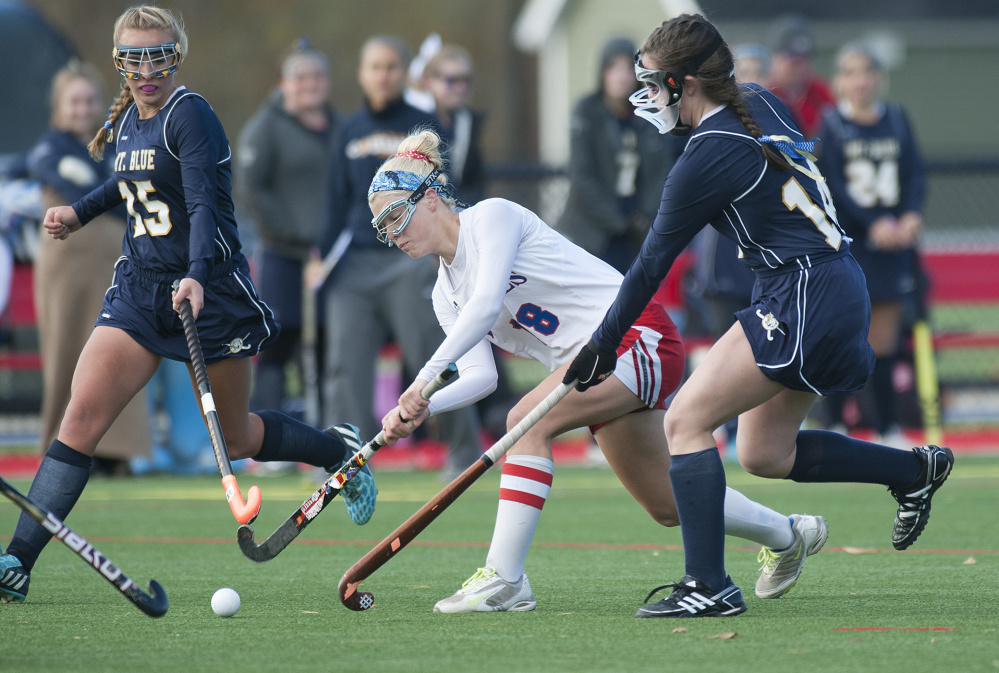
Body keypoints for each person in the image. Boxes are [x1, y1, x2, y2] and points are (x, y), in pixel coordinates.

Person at [563, 14, 953, 619]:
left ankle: (708, 585)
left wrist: (604, 343)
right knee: (764, 453)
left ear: (686, 83)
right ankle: (914, 469)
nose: (646, 97)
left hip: (804, 291)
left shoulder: (707, 154)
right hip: (829, 283)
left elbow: (649, 266)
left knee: (686, 420)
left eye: (654, 84)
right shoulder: (758, 100)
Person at [0, 5, 375, 605]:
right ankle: (16, 563)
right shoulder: (125, 121)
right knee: (80, 420)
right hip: (139, 290)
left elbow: (202, 204)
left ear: (176, 56)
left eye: (159, 56)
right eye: (134, 58)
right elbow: (125, 181)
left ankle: (339, 451)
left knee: (236, 436)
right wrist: (78, 212)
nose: (147, 69)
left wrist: (197, 275)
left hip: (211, 291)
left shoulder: (190, 115)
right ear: (119, 61)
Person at [369, 129, 828, 614]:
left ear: (433, 197)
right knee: (667, 504)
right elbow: (482, 375)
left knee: (525, 422)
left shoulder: (492, 218)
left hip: (634, 336)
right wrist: (425, 406)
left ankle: (505, 580)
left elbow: (486, 308)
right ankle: (790, 534)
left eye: (397, 215)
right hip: (585, 370)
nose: (394, 233)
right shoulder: (444, 293)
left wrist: (421, 381)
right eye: (383, 227)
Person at [315, 35, 481, 478]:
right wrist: (319, 254)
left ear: (404, 73)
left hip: (410, 261)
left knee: (436, 357)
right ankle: (341, 462)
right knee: (343, 368)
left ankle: (464, 454)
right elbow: (335, 200)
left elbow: (444, 191)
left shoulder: (423, 123)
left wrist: (446, 251)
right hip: (355, 264)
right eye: (374, 66)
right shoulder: (348, 130)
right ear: (361, 74)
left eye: (391, 66)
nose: (383, 75)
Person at [26, 61, 151, 476]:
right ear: (59, 105)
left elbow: (128, 186)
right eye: (74, 101)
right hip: (68, 270)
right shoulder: (49, 148)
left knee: (120, 353)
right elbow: (92, 191)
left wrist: (109, 184)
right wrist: (109, 186)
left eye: (90, 100)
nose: (83, 109)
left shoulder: (116, 141)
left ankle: (118, 451)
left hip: (116, 263)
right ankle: (64, 449)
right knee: (68, 353)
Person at [817, 44, 925, 447]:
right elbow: (831, 188)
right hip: (849, 246)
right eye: (851, 72)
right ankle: (835, 424)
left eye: (867, 71)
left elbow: (915, 173)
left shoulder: (896, 119)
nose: (860, 80)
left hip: (892, 247)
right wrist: (871, 223)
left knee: (884, 341)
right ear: (838, 81)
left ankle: (886, 427)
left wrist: (911, 214)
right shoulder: (830, 125)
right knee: (840, 333)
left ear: (879, 77)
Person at [235, 39, 338, 421]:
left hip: (331, 257)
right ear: (284, 82)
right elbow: (251, 190)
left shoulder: (339, 128)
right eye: (301, 77)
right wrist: (295, 238)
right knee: (277, 343)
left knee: (329, 345)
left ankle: (330, 435)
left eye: (317, 76)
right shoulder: (265, 129)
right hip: (283, 256)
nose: (310, 84)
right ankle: (265, 434)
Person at [557, 37, 677, 274]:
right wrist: (617, 222)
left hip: (639, 233)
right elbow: (582, 175)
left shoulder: (652, 114)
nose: (621, 77)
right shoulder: (587, 112)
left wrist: (646, 216)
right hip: (592, 233)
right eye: (614, 68)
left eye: (627, 69)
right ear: (603, 73)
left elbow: (663, 171)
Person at [422, 44, 485, 205]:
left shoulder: (468, 123)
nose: (461, 88)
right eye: (452, 80)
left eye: (466, 81)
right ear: (429, 81)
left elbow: (473, 180)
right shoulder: (414, 121)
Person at [766, 15, 834, 139]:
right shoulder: (765, 91)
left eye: (805, 61)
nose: (800, 68)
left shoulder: (822, 91)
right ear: (775, 60)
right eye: (794, 62)